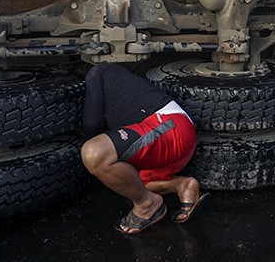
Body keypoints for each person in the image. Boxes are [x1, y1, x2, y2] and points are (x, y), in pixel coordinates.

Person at [80, 63, 209, 234]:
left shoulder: (97, 74)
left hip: (169, 127)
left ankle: (146, 204)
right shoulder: (116, 80)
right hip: (175, 142)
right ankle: (182, 185)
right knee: (125, 181)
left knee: (94, 153)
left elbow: (91, 126)